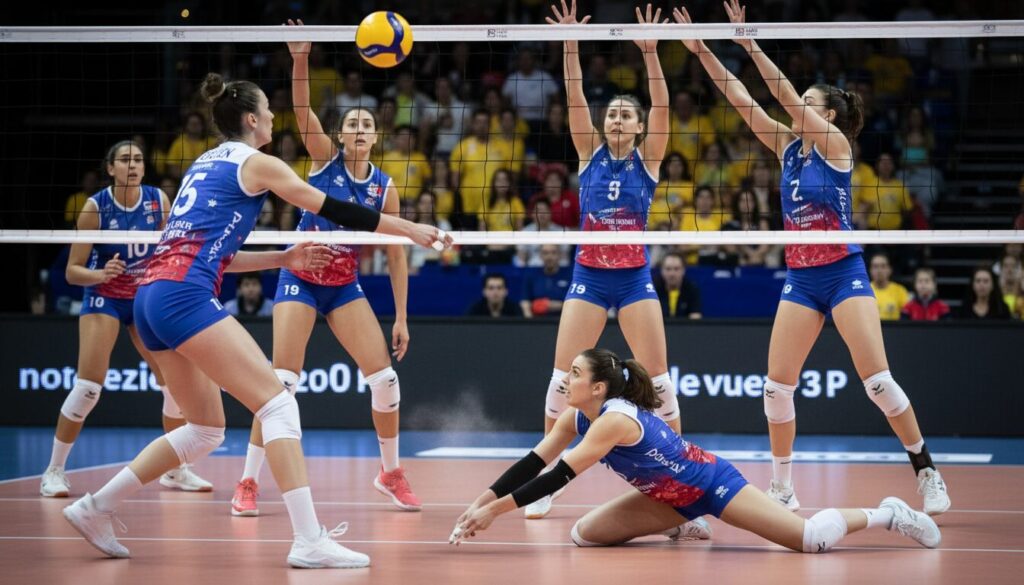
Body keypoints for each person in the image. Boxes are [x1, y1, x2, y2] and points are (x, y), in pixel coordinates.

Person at [60, 70, 448, 568]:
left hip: (151, 295)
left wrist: (281, 259)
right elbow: (331, 206)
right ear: (250, 119)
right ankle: (309, 539)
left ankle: (96, 506)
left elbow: (214, 253)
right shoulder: (258, 163)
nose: (272, 117)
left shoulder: (204, 162)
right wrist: (408, 227)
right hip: (183, 296)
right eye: (266, 111)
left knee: (204, 430)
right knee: (279, 406)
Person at [675, 0, 950, 515]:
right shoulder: (788, 147)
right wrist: (703, 50)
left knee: (877, 382)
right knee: (776, 388)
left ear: (825, 114)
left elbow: (779, 93)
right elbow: (741, 100)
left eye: (805, 101)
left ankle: (926, 470)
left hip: (843, 270)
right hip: (801, 277)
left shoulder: (835, 145)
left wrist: (748, 43)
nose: (795, 106)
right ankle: (783, 487)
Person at [452, 348, 941, 554]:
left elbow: (559, 477)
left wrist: (495, 513)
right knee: (583, 535)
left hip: (712, 484)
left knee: (809, 540)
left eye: (575, 375)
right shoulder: (574, 417)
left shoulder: (614, 420)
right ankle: (681, 521)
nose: (567, 379)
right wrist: (483, 499)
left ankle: (888, 513)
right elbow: (535, 462)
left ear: (598, 387)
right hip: (667, 496)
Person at [229, 25, 431, 521]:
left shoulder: (384, 188)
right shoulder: (323, 160)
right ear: (341, 135)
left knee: (386, 381)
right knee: (280, 382)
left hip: (344, 286)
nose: (360, 131)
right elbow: (301, 113)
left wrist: (401, 316)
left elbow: (397, 255)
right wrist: (301, 59)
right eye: (353, 125)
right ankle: (248, 480)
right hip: (300, 279)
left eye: (368, 125)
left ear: (376, 136)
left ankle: (390, 473)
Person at [527, 1, 680, 521]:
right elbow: (573, 98)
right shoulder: (589, 153)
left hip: (633, 278)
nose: (616, 119)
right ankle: (546, 482)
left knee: (659, 382)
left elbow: (663, 107)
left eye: (624, 115)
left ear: (638, 128)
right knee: (559, 381)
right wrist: (570, 42)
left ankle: (678, 482)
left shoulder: (649, 158)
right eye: (612, 112)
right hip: (589, 277)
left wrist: (651, 54)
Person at [41, 141, 214, 498]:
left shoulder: (157, 200)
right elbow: (72, 272)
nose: (133, 165)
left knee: (172, 385)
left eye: (138, 159)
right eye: (125, 160)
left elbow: (170, 250)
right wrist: (101, 274)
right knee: (89, 386)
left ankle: (176, 470)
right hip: (104, 296)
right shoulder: (96, 207)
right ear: (110, 168)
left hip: (143, 298)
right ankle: (54, 470)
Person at [521, 245, 572, 318]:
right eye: (545, 253)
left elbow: (574, 303)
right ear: (540, 255)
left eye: (553, 253)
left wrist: (550, 305)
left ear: (560, 255)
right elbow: (525, 300)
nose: (549, 257)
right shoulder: (531, 275)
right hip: (537, 321)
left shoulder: (569, 276)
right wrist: (529, 320)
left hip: (562, 320)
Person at [653, 251, 702, 319]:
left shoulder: (692, 289)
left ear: (683, 270)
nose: (672, 274)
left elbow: (695, 317)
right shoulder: (653, 290)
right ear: (662, 270)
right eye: (668, 269)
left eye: (676, 269)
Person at [869, 253, 909, 321]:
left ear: (890, 270)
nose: (879, 270)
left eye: (883, 266)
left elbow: (906, 316)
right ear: (870, 270)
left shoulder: (900, 290)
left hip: (894, 329)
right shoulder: (864, 290)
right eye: (875, 266)